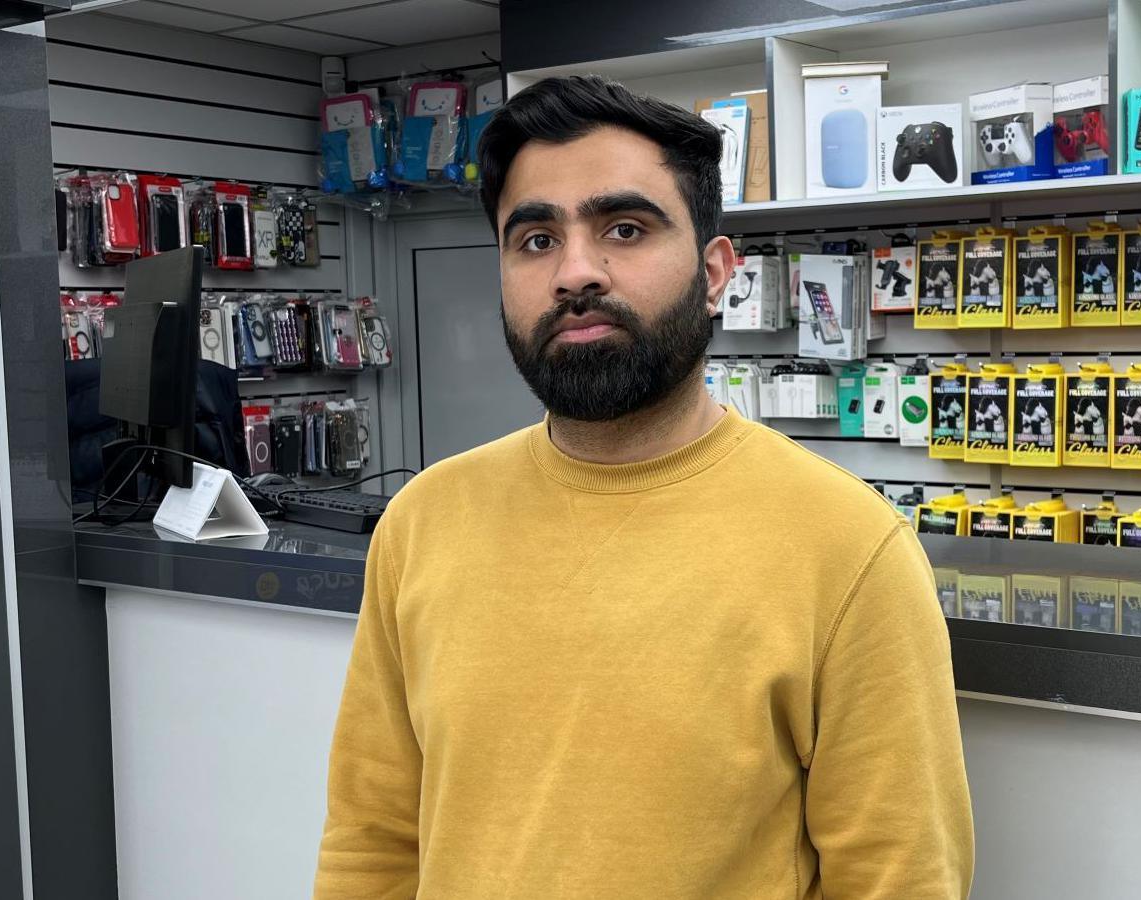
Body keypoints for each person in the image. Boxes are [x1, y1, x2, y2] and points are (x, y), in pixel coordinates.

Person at [314, 74, 974, 899]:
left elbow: (898, 876)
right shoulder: (424, 524)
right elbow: (372, 840)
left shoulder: (845, 546)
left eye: (624, 228)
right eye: (536, 239)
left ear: (714, 271)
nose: (574, 272)